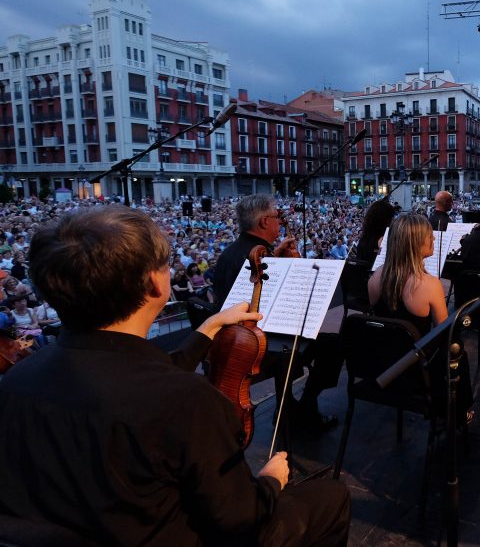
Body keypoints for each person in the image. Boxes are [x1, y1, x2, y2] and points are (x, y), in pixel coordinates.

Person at [0, 205, 351, 546]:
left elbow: (138, 378)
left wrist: (209, 328)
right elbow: (241, 518)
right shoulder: (188, 401)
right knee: (331, 497)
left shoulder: (16, 380)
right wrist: (270, 483)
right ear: (154, 283)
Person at [213, 194, 342, 432]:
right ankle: (304, 408)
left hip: (234, 337)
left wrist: (277, 259)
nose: (280, 222)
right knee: (334, 345)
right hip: (256, 343)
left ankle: (291, 407)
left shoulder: (234, 252)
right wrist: (295, 268)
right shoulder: (257, 257)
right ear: (264, 222)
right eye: (277, 217)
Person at [367, 213, 473, 416]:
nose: (433, 238)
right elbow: (444, 333)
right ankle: (460, 414)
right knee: (456, 348)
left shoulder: (375, 277)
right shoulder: (429, 284)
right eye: (429, 235)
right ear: (414, 242)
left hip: (384, 364)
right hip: (416, 371)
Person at [354, 199, 397, 267]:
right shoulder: (384, 240)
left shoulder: (364, 239)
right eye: (392, 218)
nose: (393, 221)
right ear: (385, 220)